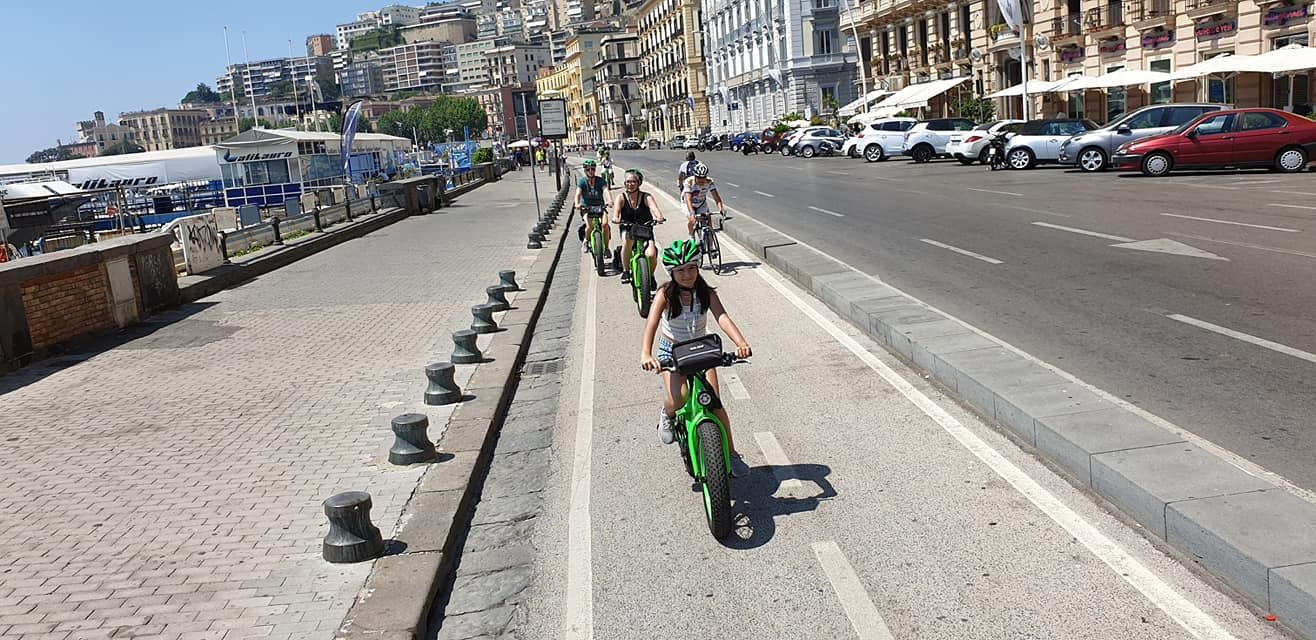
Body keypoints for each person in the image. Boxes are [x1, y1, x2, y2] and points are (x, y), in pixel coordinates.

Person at [640, 239, 752, 478]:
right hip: (672, 352)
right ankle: (667, 414)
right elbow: (651, 323)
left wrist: (740, 342)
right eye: (680, 270)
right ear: (671, 272)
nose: (687, 274)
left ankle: (732, 454)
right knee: (678, 398)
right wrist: (646, 353)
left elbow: (722, 317)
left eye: (691, 268)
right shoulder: (665, 294)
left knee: (714, 402)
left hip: (701, 349)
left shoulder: (706, 292)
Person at [610, 168, 666, 284]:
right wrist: (616, 218)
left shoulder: (646, 196)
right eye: (628, 182)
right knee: (627, 241)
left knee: (651, 254)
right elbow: (616, 212)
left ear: (639, 183)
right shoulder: (621, 197)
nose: (630, 184)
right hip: (628, 228)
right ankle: (626, 271)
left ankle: (649, 276)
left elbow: (654, 208)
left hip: (645, 229)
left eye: (633, 182)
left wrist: (659, 217)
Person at [681, 162, 726, 240]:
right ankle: (691, 236)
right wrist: (692, 213)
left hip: (701, 203)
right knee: (692, 220)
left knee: (709, 223)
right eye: (699, 178)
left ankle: (711, 248)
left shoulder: (709, 182)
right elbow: (688, 199)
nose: (701, 180)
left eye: (703, 177)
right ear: (695, 176)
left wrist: (721, 208)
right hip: (688, 203)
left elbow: (716, 197)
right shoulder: (689, 182)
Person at [577, 159, 613, 255]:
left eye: (592, 169)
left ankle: (606, 248)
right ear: (585, 170)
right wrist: (577, 204)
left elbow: (605, 190)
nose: (590, 171)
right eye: (588, 169)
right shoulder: (582, 182)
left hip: (600, 207)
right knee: (589, 226)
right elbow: (578, 194)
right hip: (586, 208)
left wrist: (609, 200)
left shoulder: (600, 181)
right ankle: (585, 241)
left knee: (605, 225)